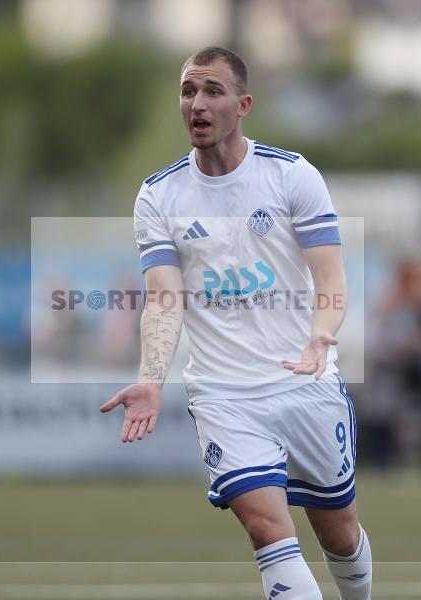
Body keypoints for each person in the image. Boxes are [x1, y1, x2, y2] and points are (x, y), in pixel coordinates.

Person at [100, 47, 372, 600]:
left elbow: (331, 279)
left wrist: (323, 332)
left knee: (339, 534)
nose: (196, 103)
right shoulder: (159, 195)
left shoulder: (292, 176)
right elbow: (163, 299)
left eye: (212, 91)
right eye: (187, 91)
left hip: (305, 381)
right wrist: (151, 378)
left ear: (242, 104)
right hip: (224, 394)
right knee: (268, 529)